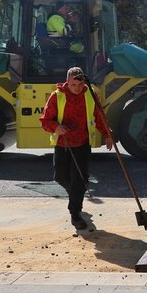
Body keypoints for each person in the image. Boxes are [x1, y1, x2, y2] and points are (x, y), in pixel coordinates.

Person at [39, 66, 114, 230]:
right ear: (68, 82)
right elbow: (45, 120)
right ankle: (75, 192)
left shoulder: (90, 95)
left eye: (80, 85)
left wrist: (108, 135)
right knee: (60, 176)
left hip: (82, 143)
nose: (77, 89)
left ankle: (75, 213)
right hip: (62, 143)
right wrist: (55, 127)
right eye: (73, 85)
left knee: (79, 179)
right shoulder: (57, 96)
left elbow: (99, 116)